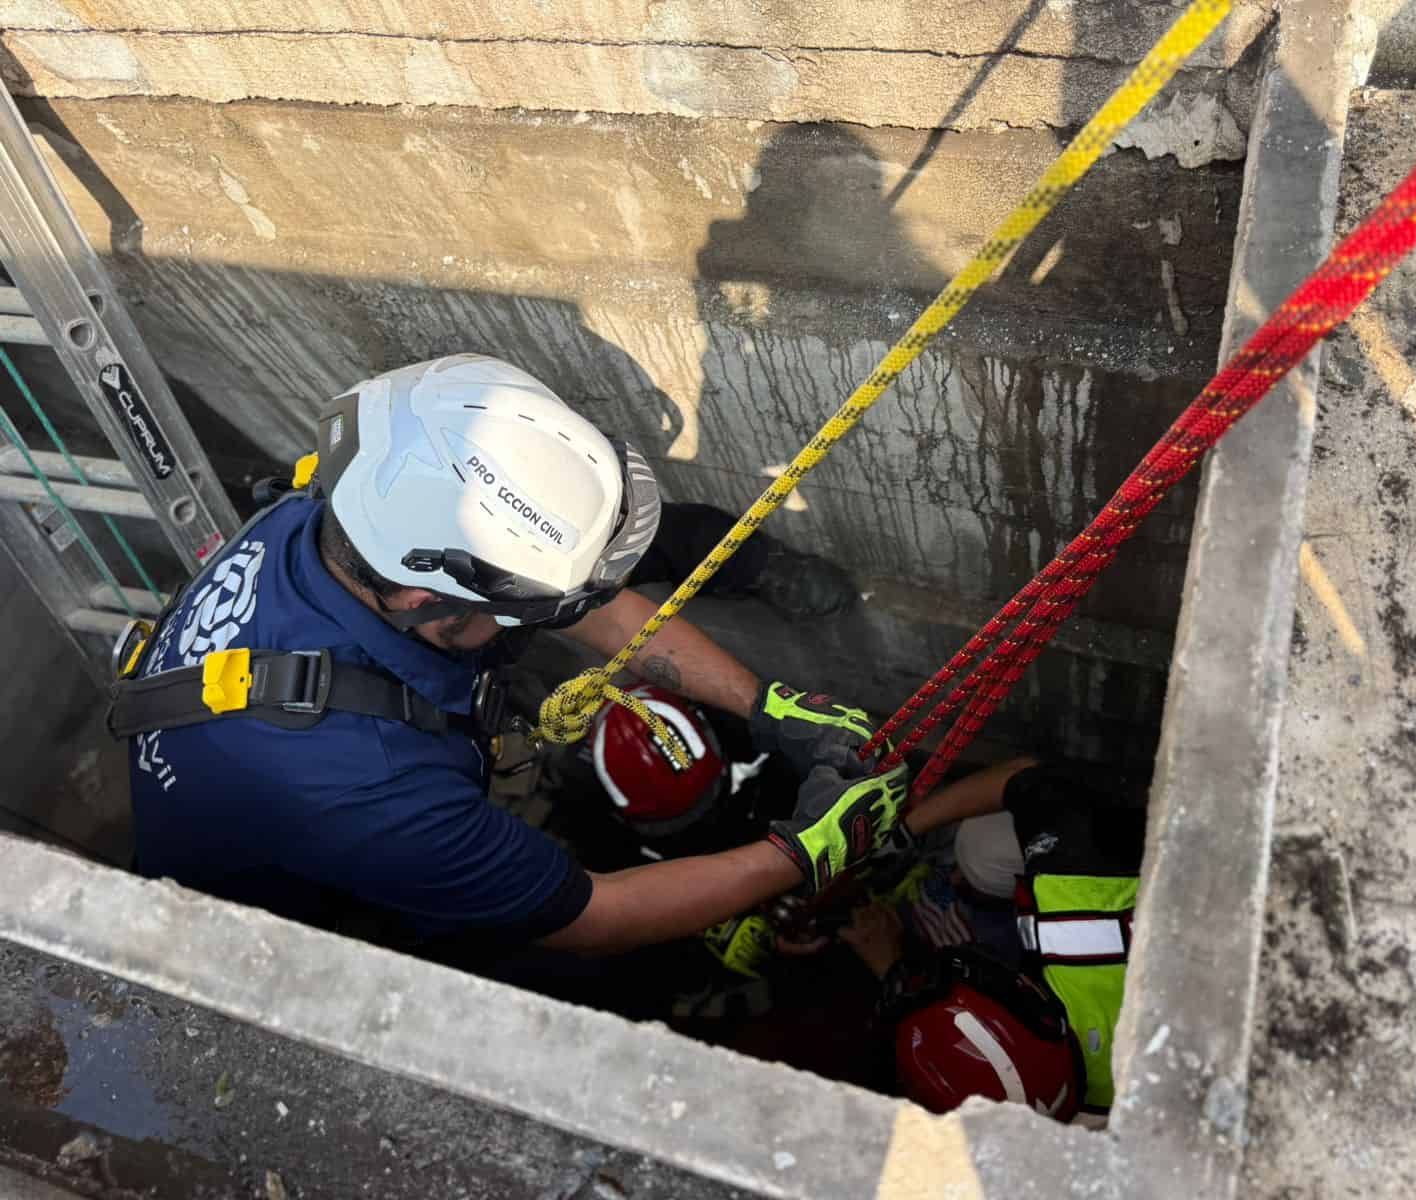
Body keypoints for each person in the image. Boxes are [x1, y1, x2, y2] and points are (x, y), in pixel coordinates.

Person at [108, 354, 905, 995]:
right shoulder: (361, 785)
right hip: (282, 946)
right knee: (577, 981)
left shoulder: (344, 518)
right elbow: (593, 913)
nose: (535, 625)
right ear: (422, 598)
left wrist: (766, 706)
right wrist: (804, 853)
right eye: (517, 611)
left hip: (291, 806)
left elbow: (575, 603)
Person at [837, 758, 1145, 1125]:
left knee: (980, 854)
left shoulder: (1088, 1115)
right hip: (1138, 889)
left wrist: (890, 967)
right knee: (983, 846)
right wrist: (901, 831)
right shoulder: (1073, 924)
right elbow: (1026, 775)